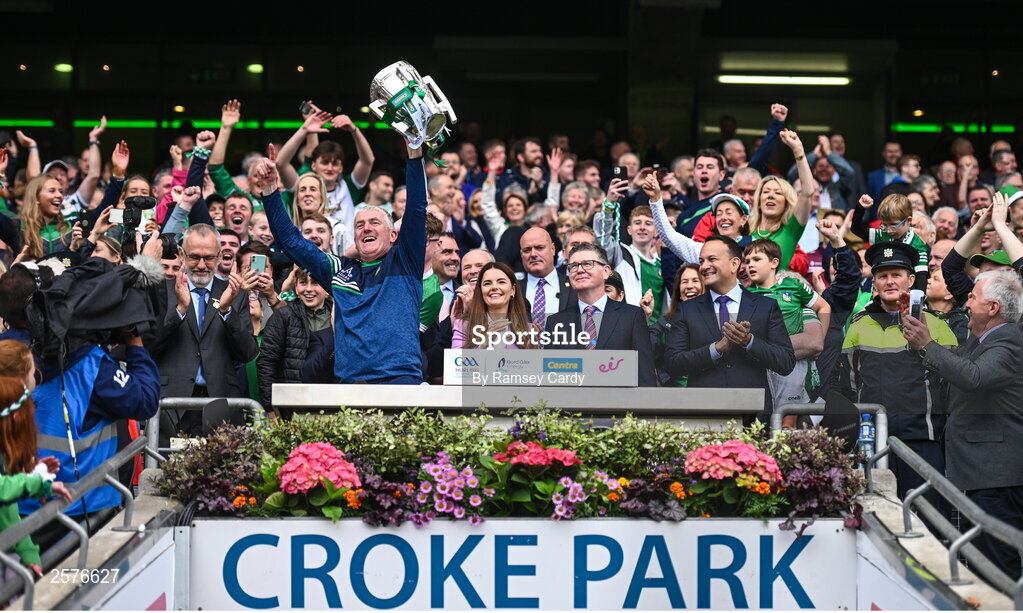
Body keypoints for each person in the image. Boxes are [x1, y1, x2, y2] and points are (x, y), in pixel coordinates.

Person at [260, 140, 428, 384]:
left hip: (400, 380)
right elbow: (290, 241)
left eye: (374, 223)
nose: (366, 228)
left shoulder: (405, 260)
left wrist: (414, 153)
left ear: (393, 235)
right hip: (351, 385)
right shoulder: (339, 271)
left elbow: (416, 208)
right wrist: (269, 190)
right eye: (359, 225)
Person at [902, 270, 1023, 579]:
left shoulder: (1009, 342)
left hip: (996, 476)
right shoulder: (980, 340)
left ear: (993, 308)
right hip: (980, 474)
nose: (965, 301)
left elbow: (973, 377)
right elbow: (959, 365)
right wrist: (922, 342)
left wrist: (928, 344)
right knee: (979, 560)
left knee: (996, 566)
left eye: (972, 297)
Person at [842, 241, 957, 505]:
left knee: (930, 519)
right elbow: (848, 386)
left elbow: (954, 384)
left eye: (897, 275)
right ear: (874, 282)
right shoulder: (857, 327)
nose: (890, 281)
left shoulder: (938, 325)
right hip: (873, 441)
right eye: (883, 276)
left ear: (911, 280)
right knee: (875, 514)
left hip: (923, 440)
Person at [663, 235, 796, 420]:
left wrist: (749, 342)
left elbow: (786, 362)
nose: (704, 266)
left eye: (712, 259)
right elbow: (672, 363)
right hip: (702, 416)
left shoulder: (765, 306)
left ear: (734, 264)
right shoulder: (687, 309)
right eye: (701, 261)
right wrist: (715, 350)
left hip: (753, 416)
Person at [149, 224, 258, 433]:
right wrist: (180, 309)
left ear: (219, 257)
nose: (201, 265)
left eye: (208, 258)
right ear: (181, 254)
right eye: (194, 257)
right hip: (170, 406)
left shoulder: (235, 294)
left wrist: (226, 310)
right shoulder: (162, 291)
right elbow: (149, 347)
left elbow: (247, 353)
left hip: (222, 405)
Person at [0, 343, 72, 580]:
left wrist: (28, 554)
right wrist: (33, 482)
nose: (36, 377)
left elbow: (7, 510)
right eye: (32, 372)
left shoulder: (8, 433)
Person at [543, 243, 657, 386]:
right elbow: (550, 377)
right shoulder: (556, 322)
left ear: (606, 271)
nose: (579, 270)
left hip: (620, 404)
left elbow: (645, 374)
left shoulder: (631, 316)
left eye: (587, 264)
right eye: (573, 266)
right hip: (570, 405)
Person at [743, 239, 831, 424]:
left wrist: (820, 342)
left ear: (774, 263)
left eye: (757, 259)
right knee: (761, 421)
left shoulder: (793, 285)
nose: (750, 264)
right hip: (763, 363)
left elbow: (824, 307)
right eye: (748, 260)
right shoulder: (746, 294)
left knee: (787, 421)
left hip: (793, 364)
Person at [257, 269, 332, 420]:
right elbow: (267, 363)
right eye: (303, 283)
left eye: (316, 283)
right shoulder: (284, 316)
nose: (309, 289)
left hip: (331, 402)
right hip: (292, 405)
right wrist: (270, 408)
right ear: (296, 288)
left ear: (328, 289)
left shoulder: (340, 317)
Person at [748, 129, 815, 270]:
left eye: (778, 193)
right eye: (766, 192)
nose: (771, 195)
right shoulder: (744, 229)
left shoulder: (790, 230)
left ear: (786, 203)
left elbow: (808, 192)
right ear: (759, 202)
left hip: (776, 292)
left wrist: (798, 151)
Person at [852, 193, 930, 294]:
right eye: (884, 225)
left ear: (908, 221)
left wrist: (917, 302)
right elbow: (856, 229)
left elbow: (921, 276)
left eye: (893, 225)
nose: (888, 230)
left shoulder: (918, 245)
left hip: (906, 298)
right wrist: (860, 208)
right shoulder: (881, 235)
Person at [452, 262, 536, 350]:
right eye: (487, 283)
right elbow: (455, 362)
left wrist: (533, 352)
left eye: (501, 282)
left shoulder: (529, 331)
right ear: (480, 291)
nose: (494, 287)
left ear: (513, 290)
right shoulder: (463, 326)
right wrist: (483, 346)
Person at [650, 264, 705, 387]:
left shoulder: (718, 319)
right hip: (673, 396)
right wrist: (646, 317)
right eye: (684, 282)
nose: (689, 286)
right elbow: (647, 348)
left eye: (695, 280)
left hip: (709, 393)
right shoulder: (666, 322)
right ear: (679, 291)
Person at [518, 227, 577, 328]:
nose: (533, 254)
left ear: (553, 249)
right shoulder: (512, 290)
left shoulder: (575, 286)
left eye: (540, 248)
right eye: (527, 250)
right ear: (521, 254)